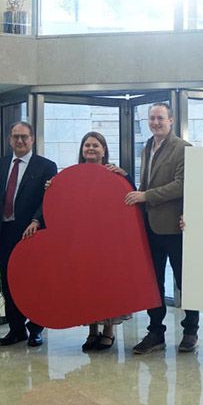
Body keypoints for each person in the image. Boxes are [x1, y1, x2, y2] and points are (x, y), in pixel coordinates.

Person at [125, 103, 199, 355]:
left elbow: (181, 184)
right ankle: (155, 331)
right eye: (152, 118)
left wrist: (146, 196)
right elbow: (145, 182)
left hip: (176, 228)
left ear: (171, 120)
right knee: (153, 282)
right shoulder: (147, 147)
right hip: (149, 227)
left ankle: (191, 330)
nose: (155, 122)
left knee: (185, 282)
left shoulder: (183, 149)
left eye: (160, 118)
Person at [0, 121, 57, 347]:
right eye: (15, 137)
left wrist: (36, 220)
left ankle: (36, 328)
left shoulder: (46, 166)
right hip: (5, 231)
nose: (19, 141)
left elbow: (48, 199)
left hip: (32, 233)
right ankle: (16, 328)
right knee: (9, 282)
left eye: (24, 137)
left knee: (35, 282)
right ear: (9, 140)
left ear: (32, 139)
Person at [69, 131, 133, 352]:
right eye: (87, 145)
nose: (91, 149)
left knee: (107, 285)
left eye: (96, 145)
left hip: (109, 241)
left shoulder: (115, 173)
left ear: (104, 150)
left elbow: (130, 197)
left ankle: (108, 332)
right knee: (88, 285)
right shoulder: (74, 174)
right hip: (84, 240)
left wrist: (126, 176)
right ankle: (92, 331)